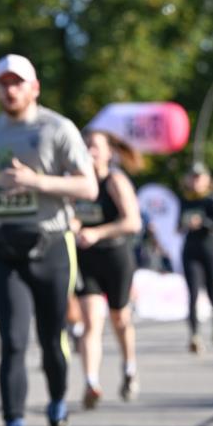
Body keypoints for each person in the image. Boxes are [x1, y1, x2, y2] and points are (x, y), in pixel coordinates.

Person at [0, 54, 97, 426]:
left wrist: (36, 181)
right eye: (3, 83)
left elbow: (89, 186)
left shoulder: (57, 128)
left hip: (52, 243)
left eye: (18, 83)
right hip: (6, 244)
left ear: (34, 87)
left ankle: (59, 416)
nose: (10, 90)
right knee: (12, 343)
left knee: (51, 340)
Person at [74, 130, 142, 407]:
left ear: (108, 153)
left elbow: (133, 223)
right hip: (86, 259)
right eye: (85, 145)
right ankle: (91, 382)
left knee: (119, 319)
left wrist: (97, 233)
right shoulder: (75, 182)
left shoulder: (114, 180)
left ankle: (129, 368)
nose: (90, 150)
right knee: (91, 322)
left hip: (115, 257)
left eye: (95, 146)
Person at [178, 165, 213, 353]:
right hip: (190, 251)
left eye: (199, 177)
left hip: (210, 250)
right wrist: (184, 225)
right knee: (191, 294)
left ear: (206, 180)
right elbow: (179, 224)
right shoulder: (184, 200)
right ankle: (194, 335)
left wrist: (204, 223)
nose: (195, 181)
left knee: (211, 291)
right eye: (192, 177)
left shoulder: (211, 200)